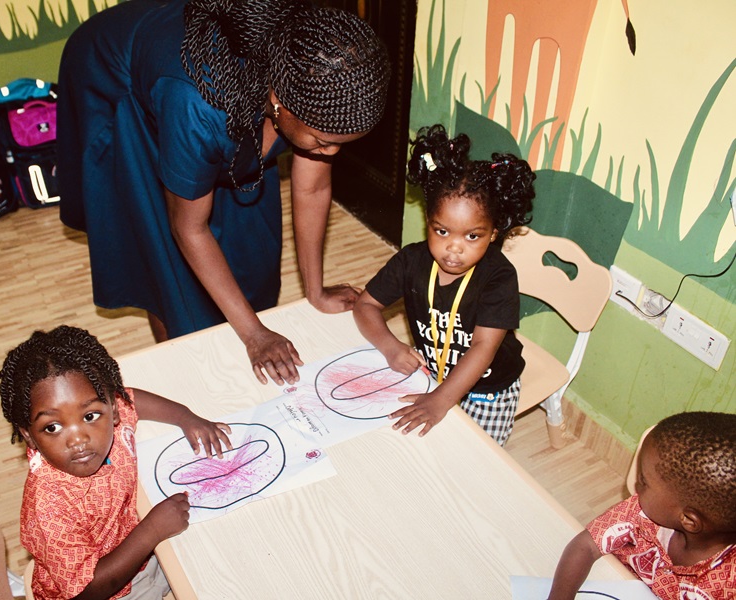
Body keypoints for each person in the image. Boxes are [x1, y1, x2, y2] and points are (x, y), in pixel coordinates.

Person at [57, 0, 391, 387]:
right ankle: (184, 368)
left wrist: (314, 291)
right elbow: (189, 229)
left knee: (252, 256)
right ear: (279, 103)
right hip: (121, 85)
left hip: (209, 83)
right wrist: (254, 334)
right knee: (169, 272)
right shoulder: (196, 106)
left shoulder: (313, 87)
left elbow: (313, 187)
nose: (330, 153)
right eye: (321, 141)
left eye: (340, 144)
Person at [0, 325, 233, 600]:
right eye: (52, 427)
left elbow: (133, 399)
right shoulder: (49, 509)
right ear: (29, 436)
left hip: (139, 546)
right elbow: (86, 591)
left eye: (89, 416)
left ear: (114, 408)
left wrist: (185, 417)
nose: (78, 440)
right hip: (113, 590)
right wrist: (152, 530)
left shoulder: (112, 417)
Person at [353, 124, 535, 445]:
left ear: (493, 234)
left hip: (487, 389)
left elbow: (483, 348)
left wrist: (441, 400)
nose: (454, 247)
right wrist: (391, 347)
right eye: (442, 231)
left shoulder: (499, 277)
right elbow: (365, 305)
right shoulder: (411, 261)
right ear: (429, 222)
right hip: (433, 374)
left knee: (476, 456)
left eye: (472, 236)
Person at [548, 411, 736, 599]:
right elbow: (586, 546)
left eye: (644, 481)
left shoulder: (728, 582)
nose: (636, 485)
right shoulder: (640, 513)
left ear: (688, 520)